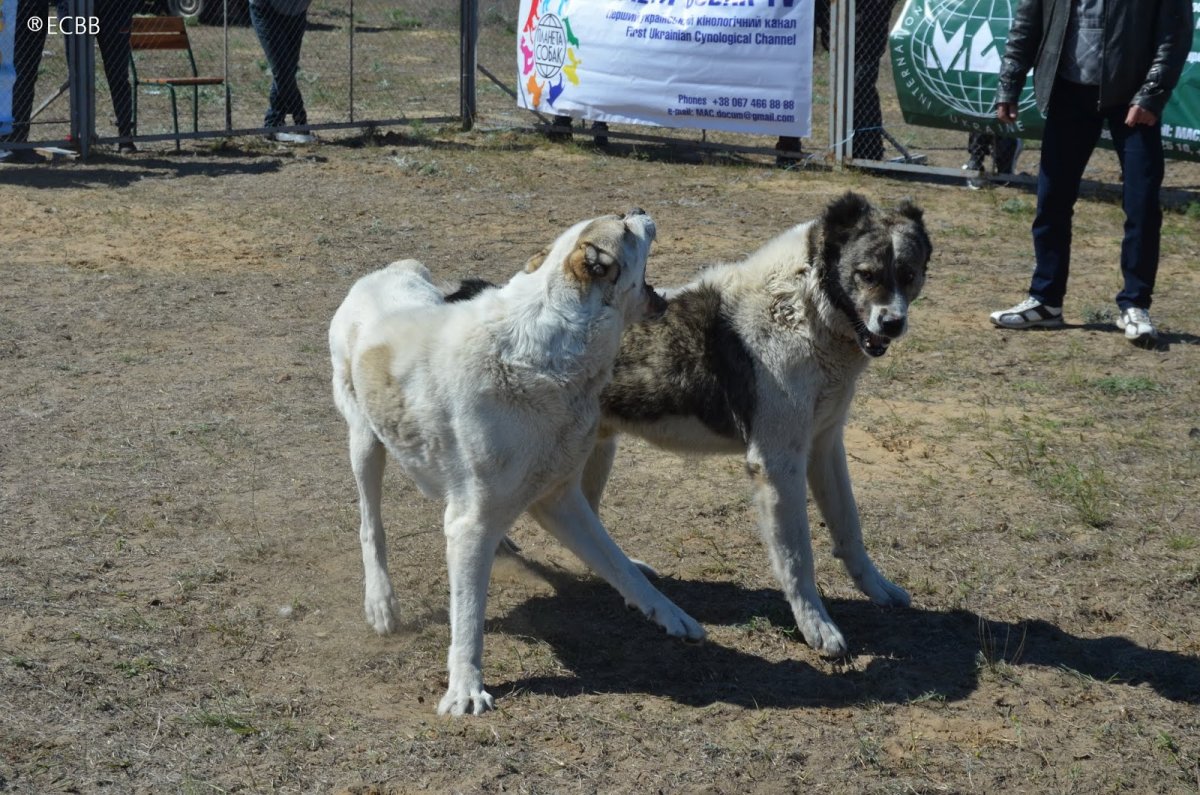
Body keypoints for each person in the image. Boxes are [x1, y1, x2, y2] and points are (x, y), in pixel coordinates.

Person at [989, 0, 1191, 347]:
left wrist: (1151, 95)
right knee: (1051, 200)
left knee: (1142, 204)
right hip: (1069, 92)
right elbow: (1026, 25)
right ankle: (1046, 300)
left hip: (1133, 97)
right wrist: (1009, 84)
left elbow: (1175, 33)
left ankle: (1136, 305)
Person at [811, 0, 896, 160]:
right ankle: (850, 149)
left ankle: (868, 151)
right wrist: (827, 23)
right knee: (847, 91)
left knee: (860, 88)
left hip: (867, 39)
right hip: (840, 36)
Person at [56, 0, 137, 153]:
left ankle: (125, 135)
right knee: (78, 73)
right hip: (76, 9)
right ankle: (79, 132)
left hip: (116, 10)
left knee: (118, 74)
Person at [249, 0, 316, 143]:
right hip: (267, 10)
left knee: (288, 69)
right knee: (282, 70)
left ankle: (273, 124)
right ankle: (300, 120)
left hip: (296, 12)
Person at [1, 0, 49, 163]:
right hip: (17, 9)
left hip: (34, 9)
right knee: (17, 75)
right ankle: (11, 141)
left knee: (27, 75)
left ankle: (18, 139)